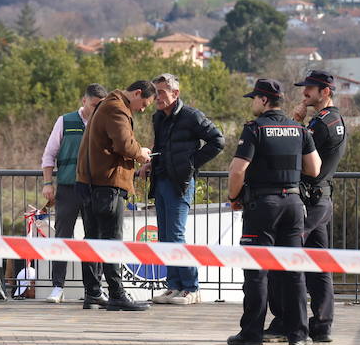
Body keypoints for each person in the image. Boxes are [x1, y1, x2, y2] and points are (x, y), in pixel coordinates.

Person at [224, 78, 320, 345]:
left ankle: (251, 333)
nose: (253, 102)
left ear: (264, 100)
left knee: (257, 272)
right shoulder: (298, 129)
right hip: (292, 204)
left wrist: (233, 197)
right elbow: (314, 168)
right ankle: (299, 334)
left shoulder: (255, 129)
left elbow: (237, 170)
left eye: (254, 98)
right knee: (293, 272)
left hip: (263, 207)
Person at [266, 70, 349, 343]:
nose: (304, 93)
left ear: (325, 92)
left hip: (309, 201)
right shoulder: (336, 120)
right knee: (319, 264)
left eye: (310, 89)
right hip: (321, 199)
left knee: (283, 260)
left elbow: (295, 152)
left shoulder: (320, 124)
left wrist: (296, 122)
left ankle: (284, 322)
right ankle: (322, 325)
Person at [75, 80, 157, 312]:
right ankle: (116, 295)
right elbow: (123, 144)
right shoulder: (117, 107)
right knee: (112, 240)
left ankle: (92, 294)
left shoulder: (106, 104)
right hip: (106, 186)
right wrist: (140, 154)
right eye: (144, 103)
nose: (143, 109)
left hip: (90, 184)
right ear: (137, 93)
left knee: (93, 239)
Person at [147, 73, 225, 305]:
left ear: (175, 93)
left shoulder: (192, 116)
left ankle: (191, 288)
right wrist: (151, 163)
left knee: (177, 236)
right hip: (160, 181)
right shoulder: (158, 118)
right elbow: (160, 146)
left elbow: (218, 141)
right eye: (155, 92)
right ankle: (173, 286)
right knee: (164, 236)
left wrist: (190, 164)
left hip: (180, 183)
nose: (157, 97)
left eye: (161, 92)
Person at [39, 83, 108, 303]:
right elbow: (49, 155)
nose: (97, 109)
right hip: (68, 188)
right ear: (84, 101)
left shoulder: (105, 123)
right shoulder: (65, 121)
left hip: (93, 189)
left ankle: (93, 290)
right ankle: (57, 287)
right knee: (62, 237)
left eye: (101, 106)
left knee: (93, 239)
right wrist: (47, 183)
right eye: (94, 105)